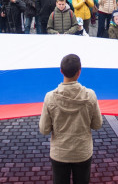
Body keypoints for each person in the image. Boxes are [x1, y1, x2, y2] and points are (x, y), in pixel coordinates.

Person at [39, 54, 102, 184]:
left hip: (60, 153)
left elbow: (44, 129)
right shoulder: (90, 95)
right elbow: (97, 124)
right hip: (82, 152)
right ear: (79, 72)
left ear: (61, 71)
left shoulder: (50, 97)